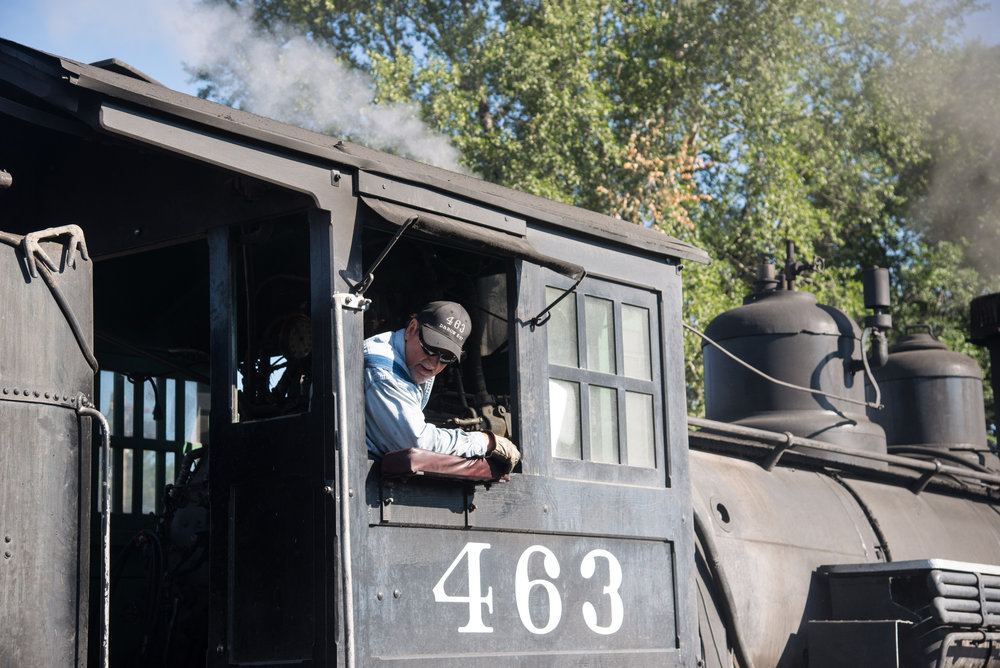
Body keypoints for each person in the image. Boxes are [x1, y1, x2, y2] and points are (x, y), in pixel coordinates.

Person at [363, 300, 521, 472]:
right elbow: (418, 442)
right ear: (411, 329)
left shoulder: (412, 361)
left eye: (447, 356)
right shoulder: (384, 372)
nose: (433, 363)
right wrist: (486, 441)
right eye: (430, 347)